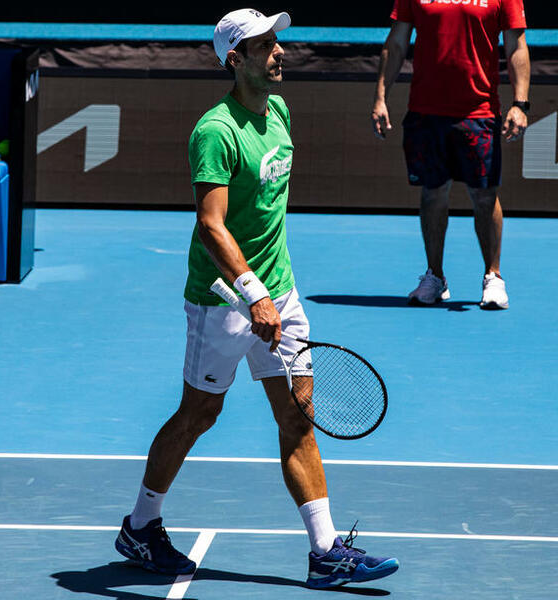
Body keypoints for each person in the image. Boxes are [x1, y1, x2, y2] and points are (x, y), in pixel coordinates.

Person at [115, 8, 399, 590]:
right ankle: (140, 527)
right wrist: (252, 294)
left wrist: (273, 295)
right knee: (199, 413)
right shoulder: (215, 132)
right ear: (234, 59)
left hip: (281, 292)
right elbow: (211, 224)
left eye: (276, 42)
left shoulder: (279, 111)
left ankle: (325, 551)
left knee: (298, 414)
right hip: (222, 301)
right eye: (264, 45)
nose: (278, 52)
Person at [372, 0, 530, 309]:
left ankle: (493, 276)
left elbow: (516, 45)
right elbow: (397, 41)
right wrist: (380, 97)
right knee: (433, 192)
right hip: (426, 112)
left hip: (480, 113)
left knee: (484, 195)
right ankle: (435, 277)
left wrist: (520, 103)